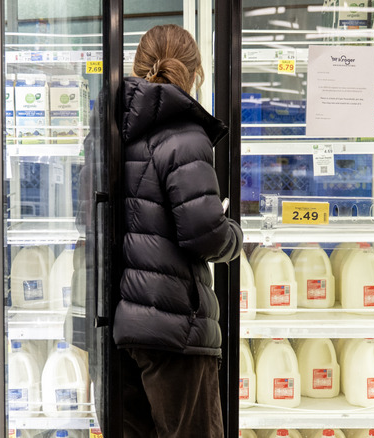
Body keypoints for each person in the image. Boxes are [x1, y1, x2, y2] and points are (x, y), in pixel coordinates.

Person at [114, 24, 243, 438]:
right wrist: (235, 236)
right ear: (194, 73)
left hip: (121, 328)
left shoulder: (109, 133)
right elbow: (204, 233)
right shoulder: (185, 137)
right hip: (175, 332)